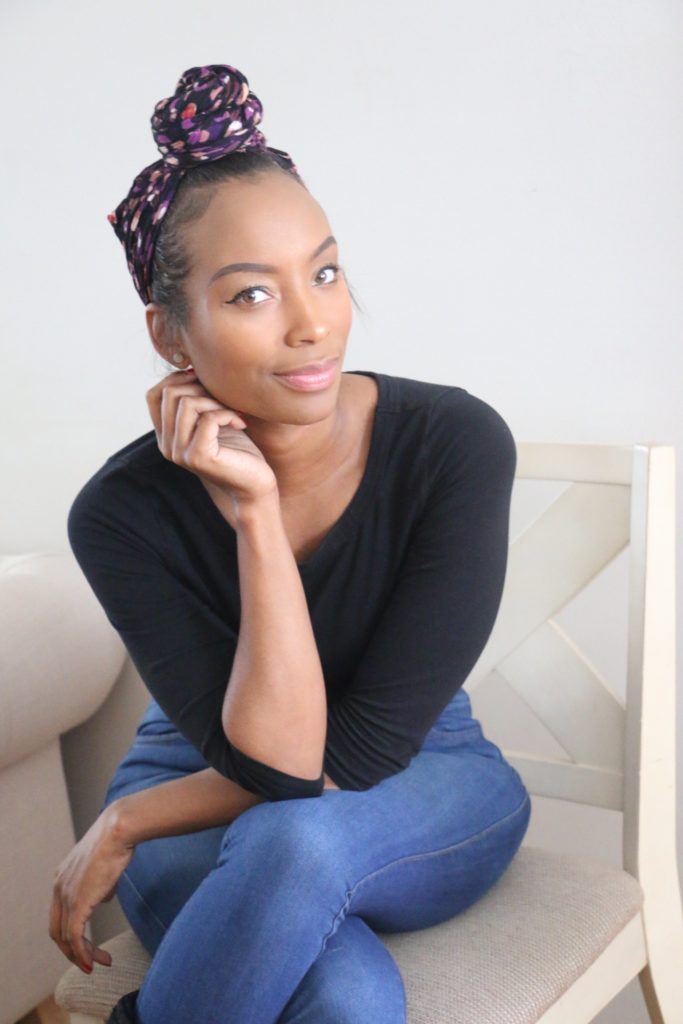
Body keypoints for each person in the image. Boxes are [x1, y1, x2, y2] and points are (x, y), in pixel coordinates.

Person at [49, 64, 532, 1024]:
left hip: (423, 771)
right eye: (250, 296)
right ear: (170, 334)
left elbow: (348, 756)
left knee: (294, 842)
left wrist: (128, 819)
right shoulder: (118, 514)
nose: (314, 325)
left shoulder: (455, 443)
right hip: (194, 769)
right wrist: (256, 517)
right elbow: (273, 766)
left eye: (324, 272)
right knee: (345, 1001)